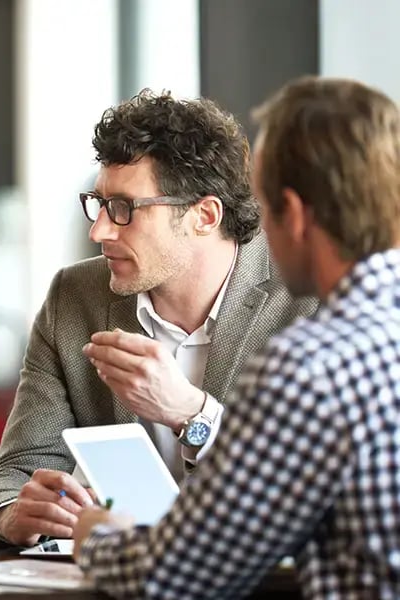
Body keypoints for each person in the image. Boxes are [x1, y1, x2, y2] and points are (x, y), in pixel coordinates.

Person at [74, 76, 400, 598]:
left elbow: (177, 575)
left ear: (292, 214)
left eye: (265, 208)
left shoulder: (312, 366)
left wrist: (95, 537)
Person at [0, 90, 317, 547]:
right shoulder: (74, 298)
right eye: (98, 204)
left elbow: (318, 487)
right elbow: (16, 471)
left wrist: (192, 416)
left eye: (124, 209)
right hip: (117, 577)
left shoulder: (307, 299)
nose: (98, 231)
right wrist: (15, 514)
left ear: (204, 215)